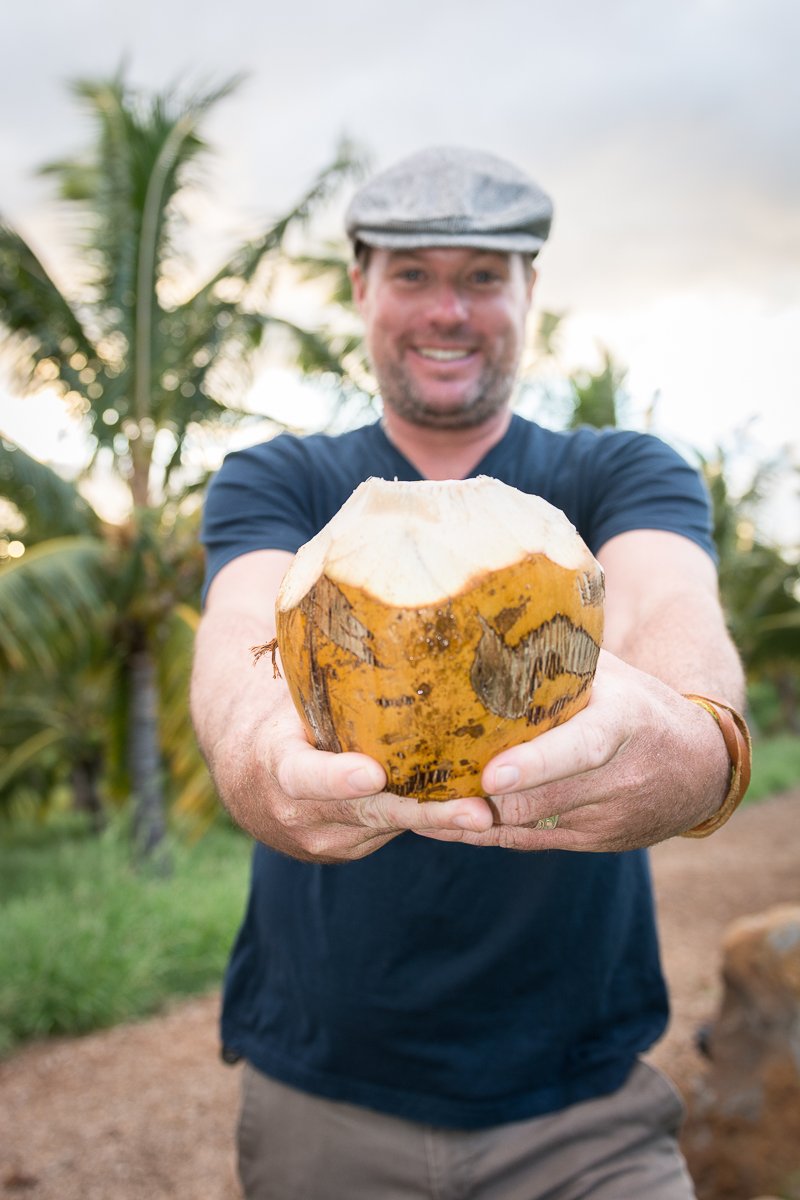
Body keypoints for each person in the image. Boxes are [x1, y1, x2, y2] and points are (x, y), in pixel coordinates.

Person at [190, 146, 750, 1199]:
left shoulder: (617, 473)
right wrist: (251, 749)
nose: (447, 309)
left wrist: (701, 747)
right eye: (411, 274)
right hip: (322, 1098)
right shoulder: (282, 479)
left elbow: (670, 607)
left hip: (584, 1107)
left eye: (482, 276)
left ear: (529, 291)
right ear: (360, 287)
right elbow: (237, 644)